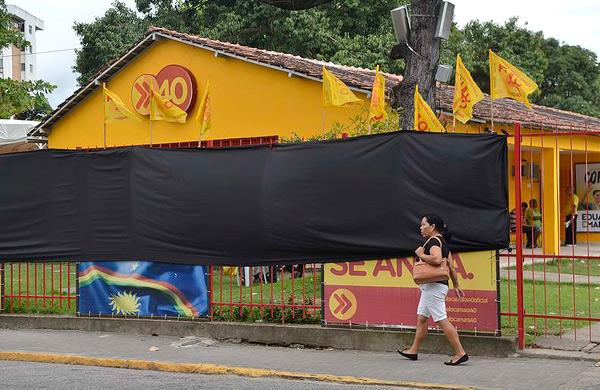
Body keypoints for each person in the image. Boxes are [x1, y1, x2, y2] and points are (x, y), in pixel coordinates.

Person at [398, 214, 468, 366]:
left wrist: (421, 254)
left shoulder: (433, 242)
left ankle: (460, 352)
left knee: (441, 320)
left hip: (434, 287)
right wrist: (456, 285)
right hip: (435, 286)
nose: (421, 228)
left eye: (424, 225)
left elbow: (436, 260)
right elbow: (450, 266)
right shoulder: (442, 242)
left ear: (433, 226)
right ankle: (413, 350)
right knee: (422, 318)